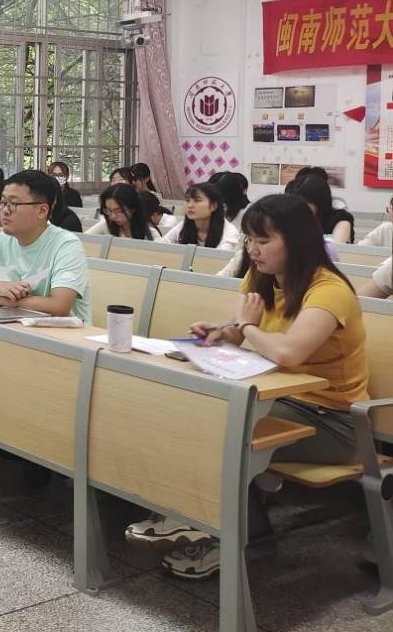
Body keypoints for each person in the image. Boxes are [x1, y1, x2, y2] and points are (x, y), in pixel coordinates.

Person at [126, 194, 368, 581]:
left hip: (333, 422)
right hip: (279, 399)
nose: (253, 249)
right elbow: (241, 334)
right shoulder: (262, 277)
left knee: (220, 429)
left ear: (297, 240)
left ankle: (210, 529)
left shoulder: (329, 290)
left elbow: (288, 351)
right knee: (191, 413)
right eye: (249, 240)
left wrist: (247, 325)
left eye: (264, 240)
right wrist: (221, 331)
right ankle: (208, 522)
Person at [0, 169, 91, 324]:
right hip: (14, 327)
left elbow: (59, 305)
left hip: (62, 333)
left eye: (14, 204)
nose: (4, 211)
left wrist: (3, 301)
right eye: (3, 202)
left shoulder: (67, 245)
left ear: (42, 210)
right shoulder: (1, 240)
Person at [161, 183, 240, 250]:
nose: (190, 205)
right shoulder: (182, 226)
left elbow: (218, 259)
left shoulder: (229, 231)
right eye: (187, 200)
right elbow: (161, 245)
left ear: (213, 206)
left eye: (197, 200)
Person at [286, 174, 354, 244]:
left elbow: (335, 247)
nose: (297, 207)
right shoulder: (291, 219)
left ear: (319, 202)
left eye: (303, 203)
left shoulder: (340, 219)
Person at [86, 184, 161, 240]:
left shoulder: (151, 234)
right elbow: (84, 239)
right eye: (109, 210)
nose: (113, 216)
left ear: (133, 209)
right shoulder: (105, 225)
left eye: (119, 211)